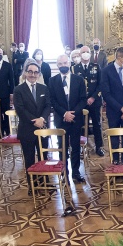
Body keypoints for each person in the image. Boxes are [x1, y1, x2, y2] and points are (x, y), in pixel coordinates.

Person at [50, 54, 87, 183]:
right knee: (62, 147)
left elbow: (83, 100)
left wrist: (72, 113)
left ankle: (76, 172)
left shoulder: (79, 80)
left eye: (65, 63)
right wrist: (64, 113)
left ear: (69, 63)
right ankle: (64, 171)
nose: (63, 65)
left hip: (76, 119)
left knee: (76, 147)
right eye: (60, 64)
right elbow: (53, 101)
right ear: (57, 65)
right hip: (61, 119)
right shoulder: (52, 81)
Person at [13, 60, 51, 170]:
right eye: (30, 71)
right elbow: (20, 110)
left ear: (39, 74)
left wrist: (42, 119)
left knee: (43, 159)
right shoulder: (18, 89)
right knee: (29, 160)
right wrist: (35, 121)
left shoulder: (44, 88)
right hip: (27, 129)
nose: (32, 75)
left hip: (43, 128)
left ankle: (44, 179)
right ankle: (32, 181)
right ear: (25, 73)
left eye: (35, 72)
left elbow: (48, 106)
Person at [74, 44, 104, 156]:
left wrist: (93, 97)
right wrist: (83, 99)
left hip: (94, 101)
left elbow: (101, 84)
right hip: (81, 102)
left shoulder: (96, 67)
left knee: (97, 125)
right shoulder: (75, 68)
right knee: (80, 125)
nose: (85, 54)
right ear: (80, 54)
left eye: (87, 52)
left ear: (90, 54)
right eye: (83, 52)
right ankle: (81, 147)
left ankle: (99, 147)